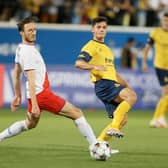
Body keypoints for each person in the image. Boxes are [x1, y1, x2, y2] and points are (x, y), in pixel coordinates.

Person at [0, 17, 98, 149]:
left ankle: (0, 137)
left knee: (29, 125)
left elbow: (16, 73)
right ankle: (95, 146)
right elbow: (30, 79)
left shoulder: (21, 48)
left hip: (33, 94)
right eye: (29, 30)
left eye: (35, 29)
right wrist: (35, 104)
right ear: (22, 33)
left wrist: (18, 96)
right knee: (77, 113)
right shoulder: (28, 52)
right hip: (41, 94)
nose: (33, 32)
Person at [75, 16, 137, 142]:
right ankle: (114, 128)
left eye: (104, 27)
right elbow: (79, 63)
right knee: (131, 97)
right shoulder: (91, 46)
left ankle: (99, 144)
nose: (101, 29)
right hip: (104, 84)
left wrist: (127, 86)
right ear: (92, 29)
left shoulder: (108, 50)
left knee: (122, 119)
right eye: (98, 27)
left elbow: (114, 73)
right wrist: (94, 66)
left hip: (109, 84)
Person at [142, 13, 168, 128]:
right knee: (166, 92)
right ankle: (156, 118)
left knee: (165, 94)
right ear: (162, 21)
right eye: (164, 20)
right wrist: (144, 62)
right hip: (161, 66)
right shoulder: (156, 32)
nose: (166, 23)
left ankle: (160, 117)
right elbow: (147, 48)